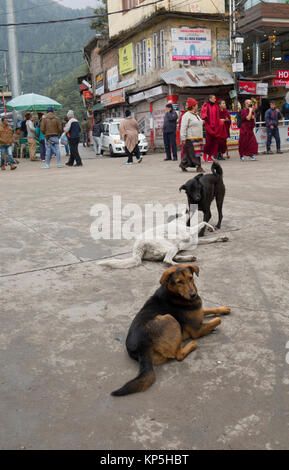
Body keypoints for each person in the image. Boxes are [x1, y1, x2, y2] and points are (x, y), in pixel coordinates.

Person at [179, 98, 205, 173]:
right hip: (191, 138)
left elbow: (198, 123)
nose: (197, 106)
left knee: (189, 154)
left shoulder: (196, 115)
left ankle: (183, 164)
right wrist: (183, 138)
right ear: (193, 106)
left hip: (198, 138)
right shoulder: (186, 116)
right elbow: (183, 127)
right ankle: (198, 166)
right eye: (196, 105)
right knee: (194, 154)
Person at [201, 94, 227, 162]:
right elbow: (203, 114)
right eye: (214, 98)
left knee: (214, 142)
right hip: (208, 126)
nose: (215, 99)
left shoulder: (216, 106)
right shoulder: (206, 105)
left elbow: (217, 117)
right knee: (208, 142)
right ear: (210, 99)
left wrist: (219, 123)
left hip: (215, 126)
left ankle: (210, 156)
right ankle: (205, 153)